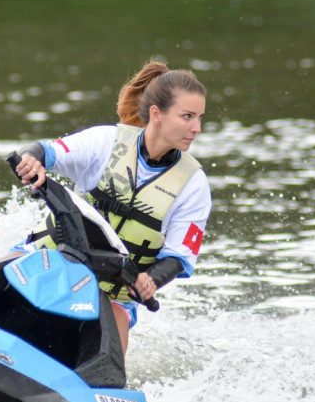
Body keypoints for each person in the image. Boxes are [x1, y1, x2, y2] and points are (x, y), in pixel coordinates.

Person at [11, 60, 211, 355]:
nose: (197, 128)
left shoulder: (194, 184)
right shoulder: (105, 141)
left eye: (199, 118)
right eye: (187, 117)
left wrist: (150, 280)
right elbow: (44, 151)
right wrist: (31, 161)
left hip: (114, 293)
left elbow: (178, 257)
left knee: (110, 354)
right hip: (49, 257)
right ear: (157, 114)